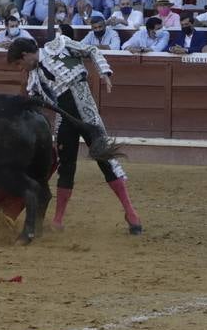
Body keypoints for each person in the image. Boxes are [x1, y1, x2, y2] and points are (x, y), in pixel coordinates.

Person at [9, 35, 142, 234]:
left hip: (87, 114)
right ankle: (58, 220)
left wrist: (104, 72)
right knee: (67, 166)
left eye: (20, 63)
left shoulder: (58, 45)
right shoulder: (34, 78)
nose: (21, 68)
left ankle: (131, 213)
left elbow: (91, 50)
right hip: (65, 122)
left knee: (106, 160)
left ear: (26, 54)